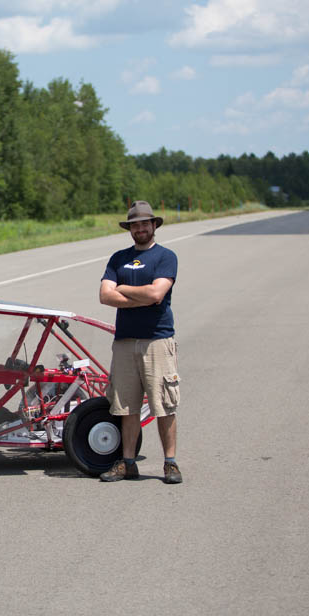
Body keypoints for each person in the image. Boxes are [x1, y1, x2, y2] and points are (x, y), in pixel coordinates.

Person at [97, 200, 182, 484]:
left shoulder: (165, 257)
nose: (140, 228)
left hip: (157, 340)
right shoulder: (118, 258)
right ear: (130, 228)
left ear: (154, 225)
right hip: (124, 342)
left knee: (163, 405)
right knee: (126, 406)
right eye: (135, 224)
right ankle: (128, 462)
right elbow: (105, 296)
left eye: (145, 223)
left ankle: (170, 463)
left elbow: (157, 294)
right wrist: (140, 295)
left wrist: (123, 288)